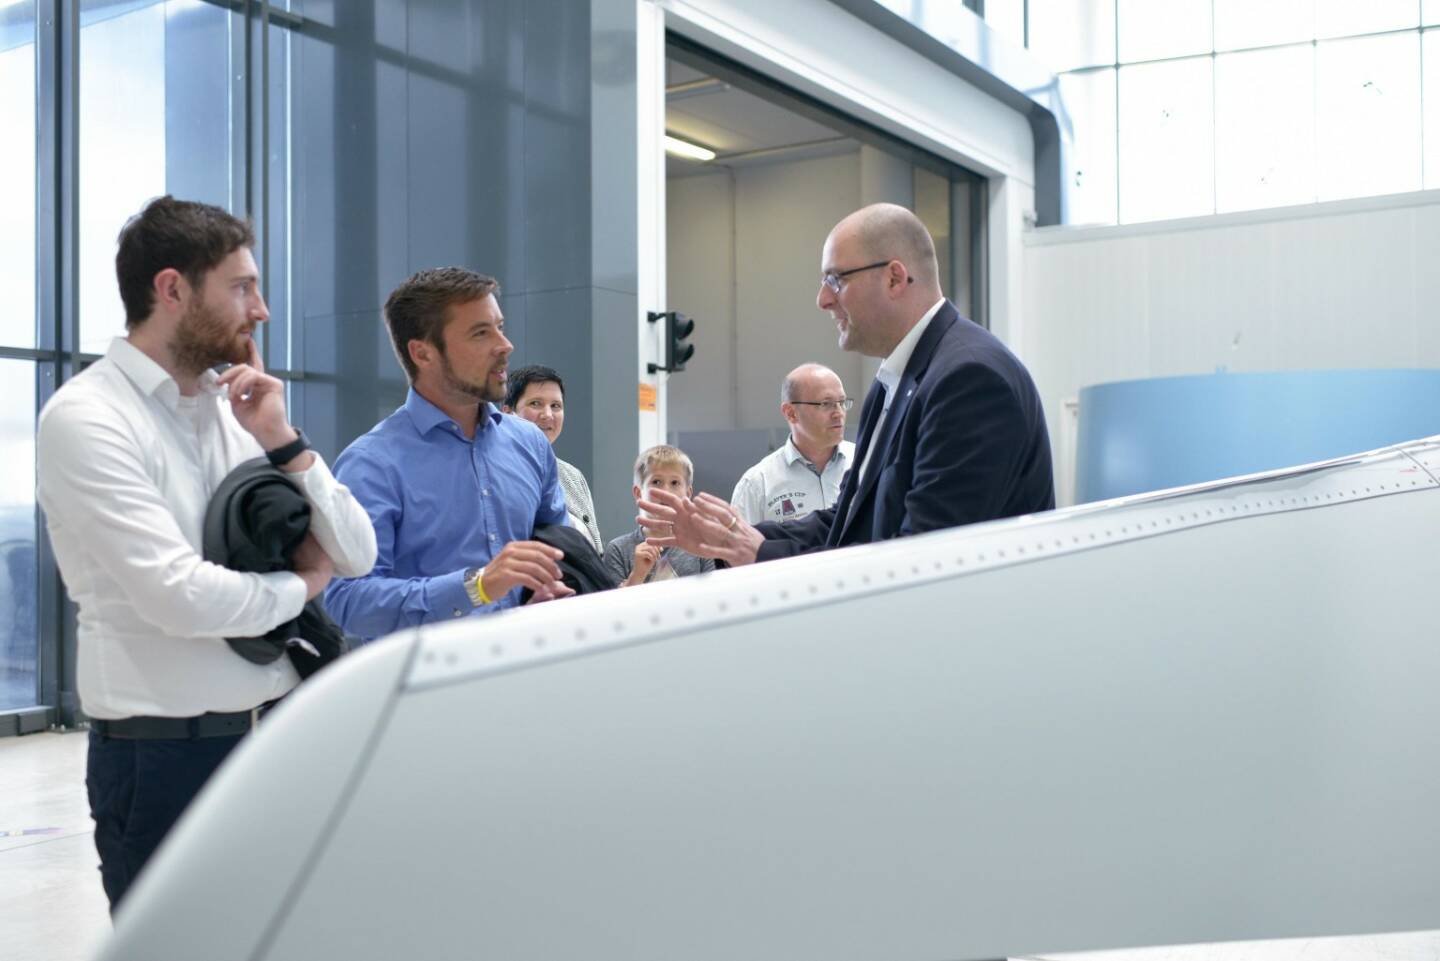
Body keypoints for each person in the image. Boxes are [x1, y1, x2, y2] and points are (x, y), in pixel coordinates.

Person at [35, 195, 378, 910]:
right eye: (242, 287)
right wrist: (301, 587)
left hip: (276, 737)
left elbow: (357, 552)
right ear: (172, 289)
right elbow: (177, 594)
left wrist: (284, 442)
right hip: (162, 761)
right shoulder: (87, 417)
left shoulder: (239, 410)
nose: (262, 311)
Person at [639, 202, 1054, 565]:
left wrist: (760, 554)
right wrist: (741, 538)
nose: (823, 299)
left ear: (894, 278)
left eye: (837, 279)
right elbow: (850, 521)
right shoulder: (896, 381)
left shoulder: (968, 381)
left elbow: (923, 559)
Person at [325, 268, 573, 642]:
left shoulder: (530, 443)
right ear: (422, 353)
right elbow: (347, 603)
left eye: (500, 327)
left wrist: (548, 588)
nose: (505, 345)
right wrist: (478, 586)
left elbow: (560, 548)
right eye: (480, 333)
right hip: (423, 689)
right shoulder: (371, 465)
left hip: (524, 669)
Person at [730, 363, 856, 524]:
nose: (839, 413)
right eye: (826, 404)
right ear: (791, 413)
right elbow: (740, 546)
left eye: (842, 402)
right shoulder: (757, 485)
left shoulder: (866, 463)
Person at [503, 364, 603, 553]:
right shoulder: (499, 472)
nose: (548, 415)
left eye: (555, 406)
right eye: (535, 404)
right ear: (508, 413)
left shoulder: (573, 476)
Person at [603, 446, 715, 587]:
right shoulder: (618, 550)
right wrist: (637, 575)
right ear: (638, 493)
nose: (666, 492)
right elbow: (614, 606)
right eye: (656, 482)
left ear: (688, 493)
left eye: (675, 483)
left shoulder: (701, 545)